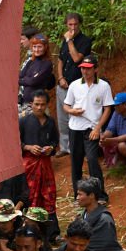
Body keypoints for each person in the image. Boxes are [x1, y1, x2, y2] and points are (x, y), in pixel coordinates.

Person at [63, 53, 114, 197]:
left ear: (96, 69)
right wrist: (72, 111)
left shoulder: (104, 86)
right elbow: (66, 106)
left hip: (92, 128)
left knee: (92, 159)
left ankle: (100, 195)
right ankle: (78, 195)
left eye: (88, 68)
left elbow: (108, 108)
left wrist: (98, 128)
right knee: (76, 161)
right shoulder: (74, 85)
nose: (85, 71)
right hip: (75, 128)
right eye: (83, 68)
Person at [55, 13, 93, 156]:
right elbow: (60, 60)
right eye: (70, 24)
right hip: (63, 84)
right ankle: (65, 147)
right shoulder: (64, 41)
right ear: (66, 24)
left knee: (75, 116)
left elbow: (77, 59)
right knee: (62, 117)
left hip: (77, 85)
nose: (73, 27)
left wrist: (70, 41)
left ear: (80, 24)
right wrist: (60, 78)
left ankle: (76, 148)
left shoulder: (85, 41)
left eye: (75, 24)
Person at [19, 90, 58, 215]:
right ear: (31, 104)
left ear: (47, 105)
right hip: (29, 164)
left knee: (48, 194)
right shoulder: (23, 121)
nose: (39, 107)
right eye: (36, 104)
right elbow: (14, 144)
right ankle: (28, 224)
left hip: (45, 164)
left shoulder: (51, 122)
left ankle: (48, 225)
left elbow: (55, 142)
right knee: (28, 194)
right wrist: (28, 147)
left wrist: (50, 149)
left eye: (42, 104)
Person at [18, 34, 55, 108]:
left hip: (37, 104)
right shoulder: (31, 61)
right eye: (34, 47)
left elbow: (33, 81)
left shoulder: (47, 64)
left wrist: (25, 79)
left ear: (45, 47)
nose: (36, 50)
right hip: (24, 102)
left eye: (39, 47)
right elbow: (20, 76)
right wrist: (29, 79)